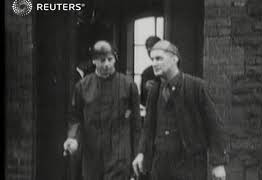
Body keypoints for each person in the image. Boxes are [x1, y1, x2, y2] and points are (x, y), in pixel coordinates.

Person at [132, 40, 228, 180]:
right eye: (152, 59)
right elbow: (148, 128)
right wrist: (141, 153)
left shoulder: (196, 87)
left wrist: (218, 163)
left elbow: (214, 126)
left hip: (189, 166)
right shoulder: (155, 90)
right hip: (161, 166)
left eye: (159, 58)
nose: (154, 63)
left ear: (174, 59)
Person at [63, 40, 141, 180]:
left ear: (115, 59)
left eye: (110, 59)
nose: (106, 64)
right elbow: (75, 118)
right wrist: (72, 138)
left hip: (119, 154)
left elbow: (136, 125)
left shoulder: (128, 85)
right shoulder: (82, 86)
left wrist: (138, 154)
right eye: (102, 60)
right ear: (93, 61)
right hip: (93, 155)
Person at [140, 36, 161, 106]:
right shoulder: (146, 73)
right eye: (149, 51)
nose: (151, 54)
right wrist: (146, 88)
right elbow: (143, 100)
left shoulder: (171, 68)